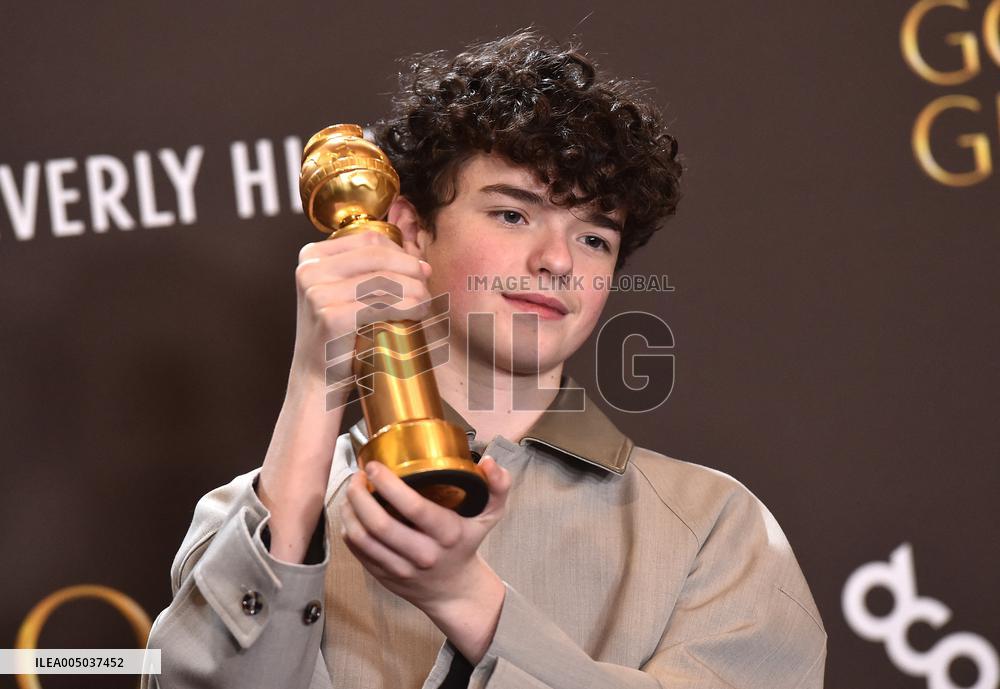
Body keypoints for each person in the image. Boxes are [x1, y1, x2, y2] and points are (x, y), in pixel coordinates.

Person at [144, 29, 826, 689]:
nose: (556, 259)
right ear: (410, 231)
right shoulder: (249, 512)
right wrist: (315, 382)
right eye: (513, 215)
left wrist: (466, 598)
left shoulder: (716, 527)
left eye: (594, 238)